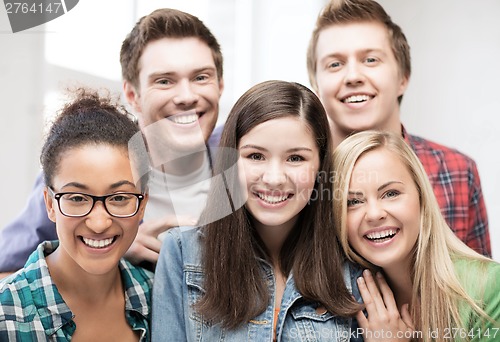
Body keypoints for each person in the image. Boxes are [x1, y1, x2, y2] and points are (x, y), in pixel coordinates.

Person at [0, 8, 225, 276]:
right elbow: (6, 280)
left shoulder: (249, 156)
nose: (187, 96)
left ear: (220, 84)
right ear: (132, 94)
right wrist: (109, 252)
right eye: (164, 81)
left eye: (201, 77)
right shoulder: (80, 171)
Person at [152, 80, 364, 341]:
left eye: (295, 158)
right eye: (255, 156)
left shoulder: (352, 263)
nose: (274, 178)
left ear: (320, 166)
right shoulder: (182, 252)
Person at [306, 0, 491, 257]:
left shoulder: (458, 172)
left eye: (370, 59)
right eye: (334, 64)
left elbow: (483, 290)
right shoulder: (300, 176)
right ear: (316, 85)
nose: (352, 76)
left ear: (402, 77)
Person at [0, 89, 153, 341]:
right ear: (50, 203)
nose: (99, 222)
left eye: (119, 198)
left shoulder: (161, 298)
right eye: (78, 198)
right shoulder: (6, 314)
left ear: (143, 203)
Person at [332, 130, 499, 341]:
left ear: (421, 197)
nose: (374, 214)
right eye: (353, 202)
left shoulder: (489, 286)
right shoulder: (343, 302)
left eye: (390, 194)